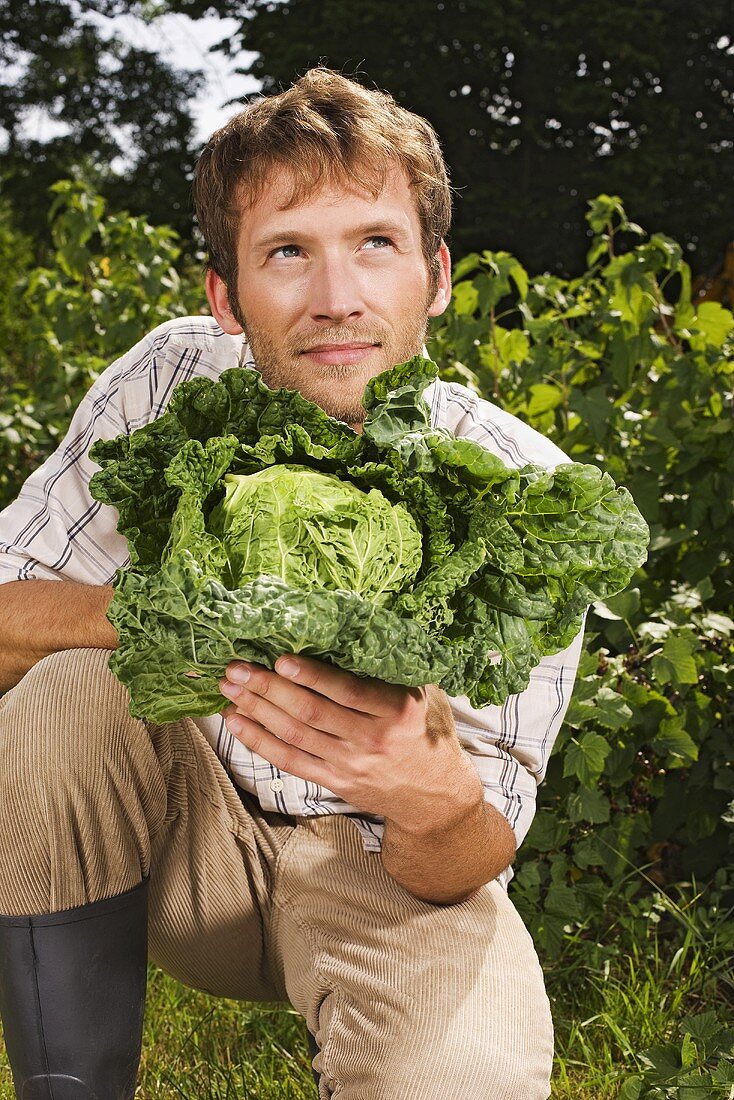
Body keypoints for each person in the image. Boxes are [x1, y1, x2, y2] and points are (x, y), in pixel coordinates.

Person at [0, 68, 583, 1099]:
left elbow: (464, 854)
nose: (335, 299)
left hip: (393, 879)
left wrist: (433, 799)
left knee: (460, 1082)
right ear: (224, 294)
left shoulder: (529, 496)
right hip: (189, 848)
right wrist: (162, 618)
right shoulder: (168, 381)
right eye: (285, 252)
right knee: (57, 691)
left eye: (373, 243)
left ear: (435, 274)